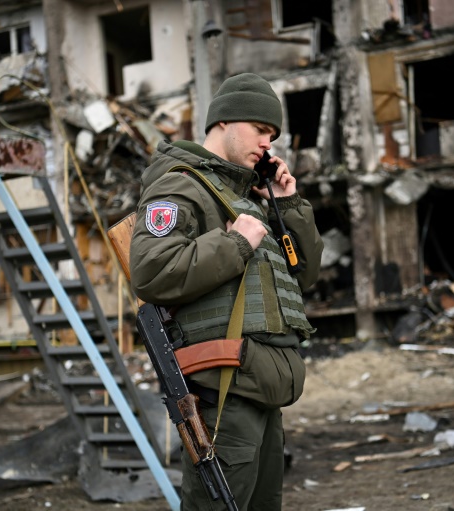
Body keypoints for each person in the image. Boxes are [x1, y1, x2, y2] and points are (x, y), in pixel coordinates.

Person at [129, 73, 324, 510]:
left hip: (262, 388)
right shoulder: (179, 185)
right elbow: (150, 271)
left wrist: (286, 203)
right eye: (260, 131)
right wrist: (236, 242)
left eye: (272, 136)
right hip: (225, 392)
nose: (267, 145)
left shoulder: (250, 199)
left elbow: (305, 275)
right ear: (225, 122)